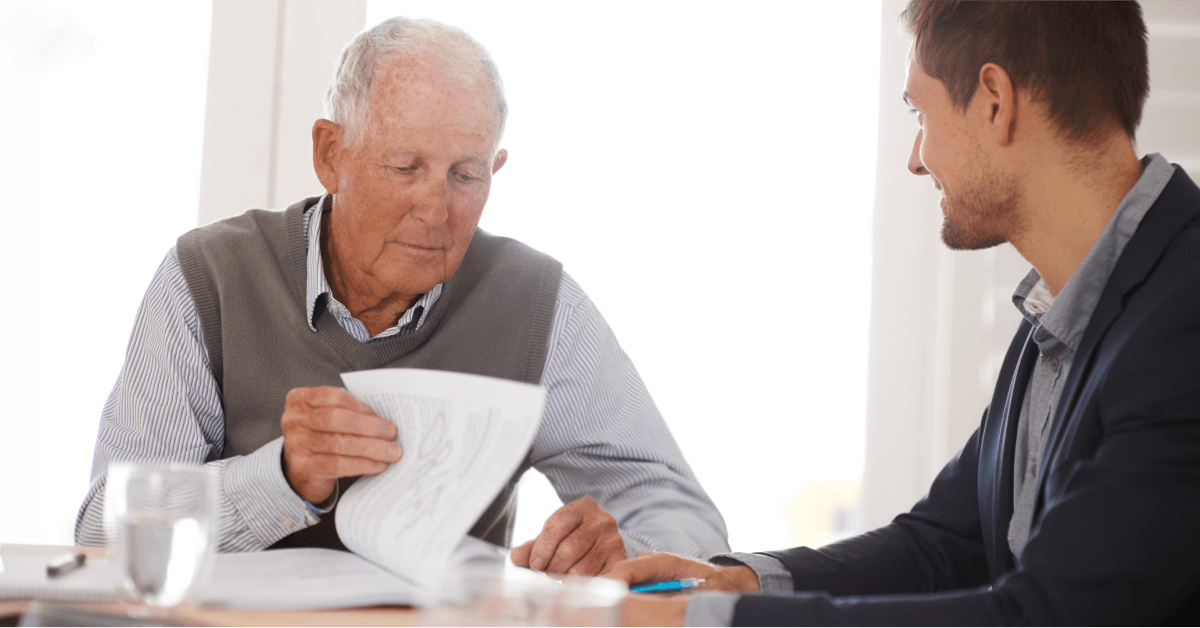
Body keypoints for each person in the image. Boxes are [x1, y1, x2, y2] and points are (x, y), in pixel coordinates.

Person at [610, 1, 1200, 625]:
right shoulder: (1064, 315)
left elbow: (1046, 617)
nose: (916, 158)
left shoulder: (1184, 317)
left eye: (921, 113)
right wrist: (738, 585)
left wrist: (713, 624)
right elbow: (943, 545)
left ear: (995, 101)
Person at [75, 16, 729, 576]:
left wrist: (622, 549)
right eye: (405, 168)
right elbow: (105, 532)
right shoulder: (207, 277)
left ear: (495, 170)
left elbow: (681, 518)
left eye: (465, 174)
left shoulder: (538, 303)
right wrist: (282, 478)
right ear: (331, 154)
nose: (436, 209)